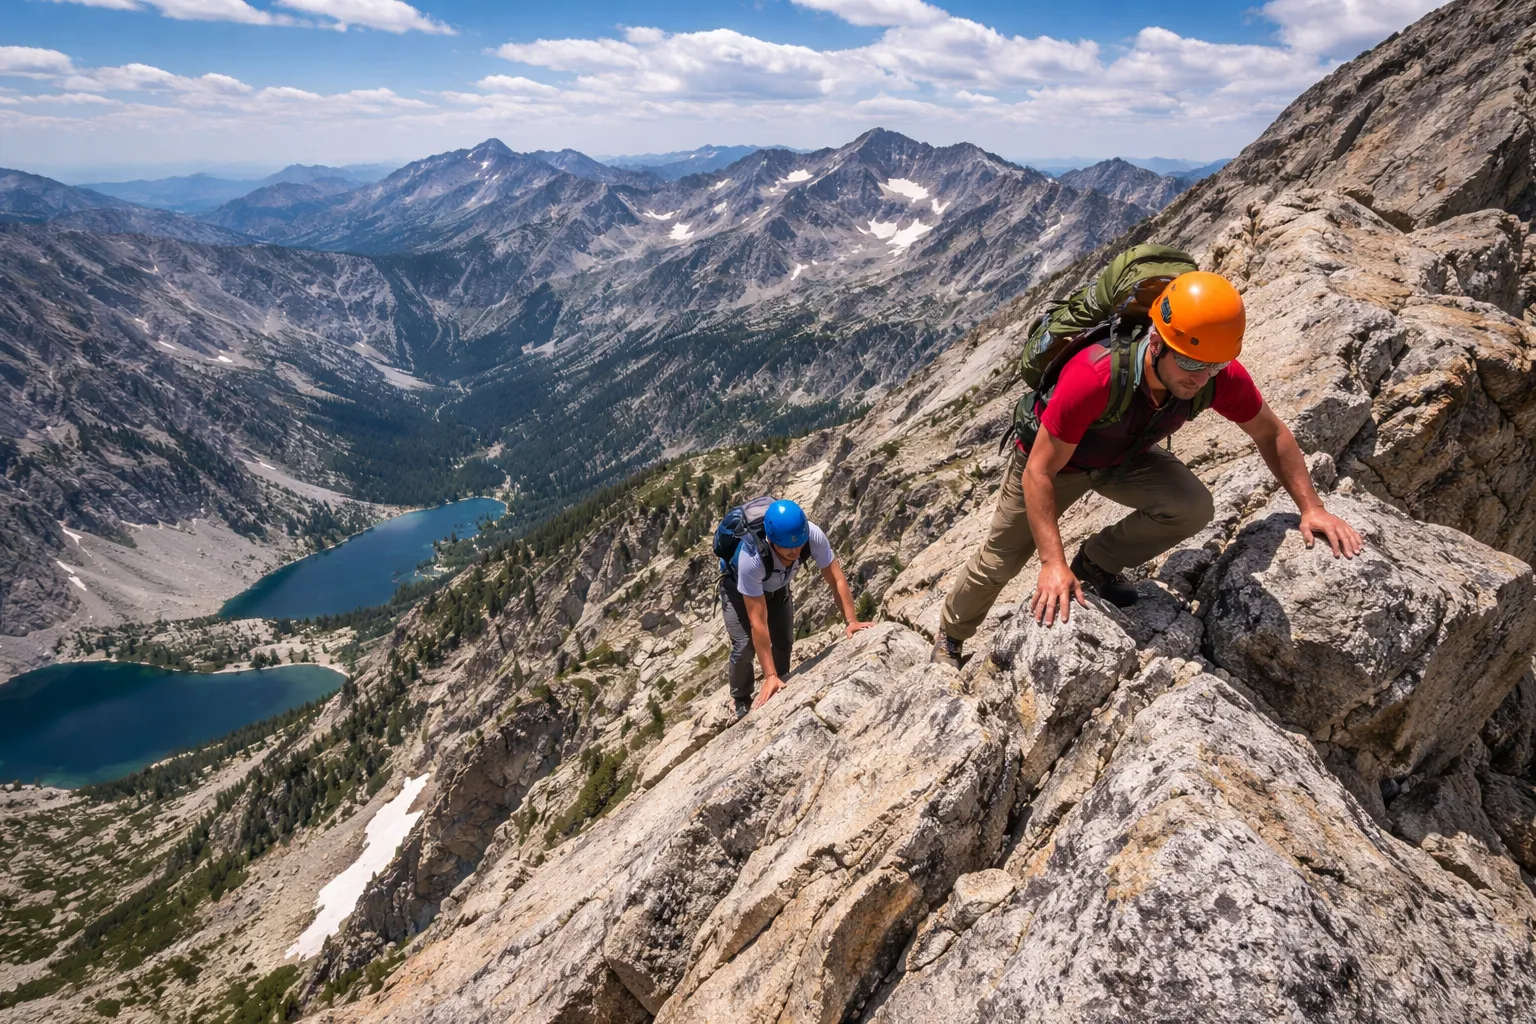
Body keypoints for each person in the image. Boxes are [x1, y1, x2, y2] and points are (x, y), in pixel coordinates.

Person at [932, 269, 1364, 667]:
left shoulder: (1214, 374)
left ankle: (1096, 563)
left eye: (1212, 366)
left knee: (1192, 506)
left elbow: (1272, 434)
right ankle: (951, 636)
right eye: (1191, 364)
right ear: (1156, 342)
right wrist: (1051, 561)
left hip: (1125, 455)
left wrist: (1311, 507)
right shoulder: (1095, 376)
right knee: (1002, 559)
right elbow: (1039, 473)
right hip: (1057, 464)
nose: (1200, 378)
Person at [718, 498, 872, 719]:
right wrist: (767, 674)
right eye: (787, 548)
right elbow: (758, 622)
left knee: (783, 641)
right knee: (743, 645)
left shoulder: (811, 534)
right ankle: (741, 697)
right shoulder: (751, 557)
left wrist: (852, 621)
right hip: (737, 590)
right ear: (771, 540)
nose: (795, 552)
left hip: (777, 586)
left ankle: (781, 677)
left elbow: (836, 579)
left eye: (798, 545)